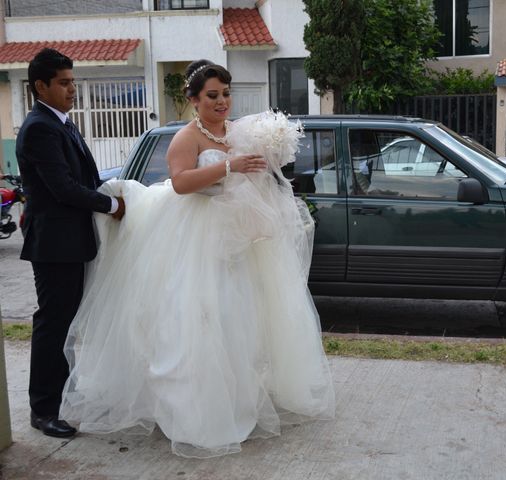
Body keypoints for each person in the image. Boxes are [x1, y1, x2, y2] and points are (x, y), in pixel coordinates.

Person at [59, 60, 334, 458]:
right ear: (193, 99)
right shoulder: (186, 137)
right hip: (193, 235)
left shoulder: (238, 132)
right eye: (212, 95)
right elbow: (181, 182)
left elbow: (250, 177)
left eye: (225, 93)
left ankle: (236, 401)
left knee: (237, 320)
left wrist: (262, 170)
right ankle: (193, 413)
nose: (222, 101)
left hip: (235, 238)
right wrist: (228, 165)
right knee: (194, 319)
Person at [16, 48, 125, 438]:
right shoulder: (39, 128)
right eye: (63, 83)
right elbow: (62, 188)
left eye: (72, 81)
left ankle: (63, 398)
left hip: (72, 241)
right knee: (53, 323)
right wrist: (111, 204)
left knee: (68, 325)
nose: (71, 89)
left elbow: (85, 177)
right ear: (39, 86)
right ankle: (43, 409)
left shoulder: (62, 122)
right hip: (53, 244)